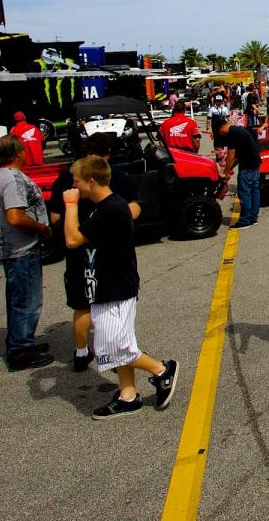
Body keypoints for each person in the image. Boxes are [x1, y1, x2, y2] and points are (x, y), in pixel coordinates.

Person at [63, 156, 179, 419]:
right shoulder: (100, 206)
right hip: (105, 287)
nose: (74, 186)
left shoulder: (111, 208)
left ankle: (162, 370)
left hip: (116, 289)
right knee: (119, 344)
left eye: (77, 181)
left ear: (91, 181)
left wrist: (70, 204)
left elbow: (72, 239)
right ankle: (128, 396)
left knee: (114, 348)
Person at [46, 134, 142, 372]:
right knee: (106, 310)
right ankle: (146, 368)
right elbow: (134, 207)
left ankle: (81, 351)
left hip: (83, 255)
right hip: (102, 256)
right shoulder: (115, 177)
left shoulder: (66, 180)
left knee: (82, 304)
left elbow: (56, 219)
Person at [0, 135, 55, 370]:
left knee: (19, 299)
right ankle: (21, 351)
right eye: (24, 151)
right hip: (21, 249)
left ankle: (21, 341)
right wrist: (41, 228)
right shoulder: (12, 179)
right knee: (27, 301)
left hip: (12, 247)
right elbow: (15, 216)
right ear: (17, 153)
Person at [214, 116, 261, 228]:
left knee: (244, 193)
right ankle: (253, 218)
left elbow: (231, 155)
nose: (221, 135)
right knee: (254, 192)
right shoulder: (238, 130)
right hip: (254, 163)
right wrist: (229, 169)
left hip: (247, 167)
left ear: (221, 128)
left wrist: (225, 172)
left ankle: (245, 220)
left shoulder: (232, 133)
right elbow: (237, 157)